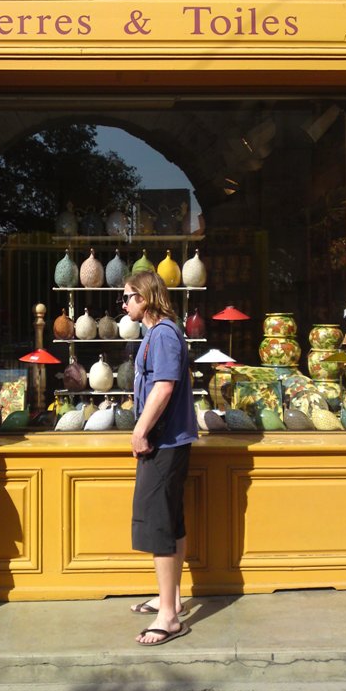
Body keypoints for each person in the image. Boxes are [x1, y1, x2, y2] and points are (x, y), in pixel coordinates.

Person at [122, 271, 198, 646]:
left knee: (159, 525)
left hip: (164, 444)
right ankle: (172, 599)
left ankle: (169, 617)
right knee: (171, 522)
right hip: (169, 442)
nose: (124, 305)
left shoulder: (164, 334)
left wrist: (140, 430)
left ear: (146, 298)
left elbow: (164, 386)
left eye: (128, 297)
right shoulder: (160, 333)